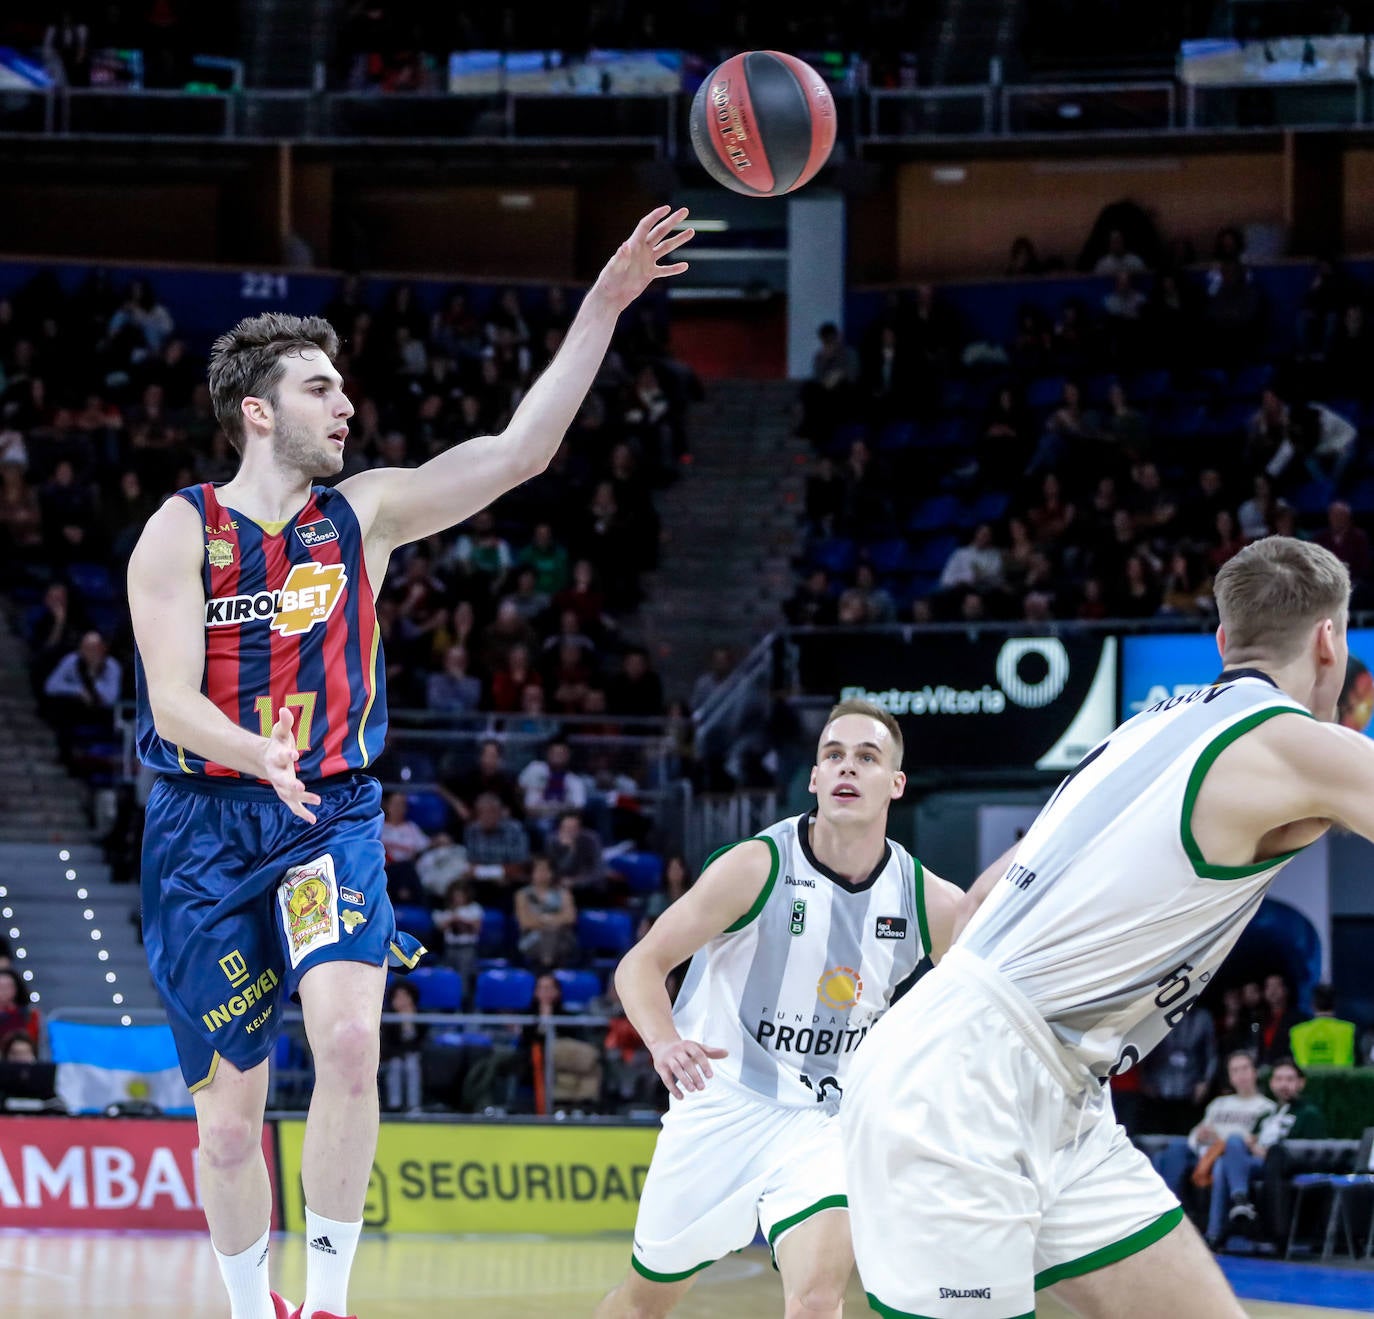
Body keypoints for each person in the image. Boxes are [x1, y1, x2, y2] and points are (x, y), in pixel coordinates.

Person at [126, 206, 694, 1319]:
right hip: (202, 827)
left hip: (328, 813)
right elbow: (171, 702)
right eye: (319, 388)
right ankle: (255, 1308)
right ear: (257, 410)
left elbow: (521, 451)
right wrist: (255, 752)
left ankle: (329, 1304)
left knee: (346, 1039)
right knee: (230, 1127)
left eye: (344, 387)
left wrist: (606, 301)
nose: (346, 403)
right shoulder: (180, 529)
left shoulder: (366, 513)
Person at [841, 535, 1374, 1319]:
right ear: (1330, 639)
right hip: (966, 1084)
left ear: (1224, 642)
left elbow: (974, 907)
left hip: (1039, 1076)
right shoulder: (1299, 744)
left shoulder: (1131, 734)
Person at [595, 699, 963, 1319]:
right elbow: (641, 963)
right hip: (721, 1102)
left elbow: (993, 1008)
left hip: (829, 1116)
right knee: (643, 1303)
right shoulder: (756, 867)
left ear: (895, 784)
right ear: (815, 778)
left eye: (867, 757)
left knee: (817, 1300)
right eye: (834, 755)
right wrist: (663, 1042)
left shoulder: (931, 901)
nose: (848, 768)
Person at [1210, 1057, 1324, 1249]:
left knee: (1226, 1161)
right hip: (1255, 1163)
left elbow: (1308, 1151)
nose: (1284, 1085)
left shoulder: (1309, 1114)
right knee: (1229, 1152)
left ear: (1300, 1083)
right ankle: (1237, 1205)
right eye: (1279, 1079)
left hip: (1280, 1167)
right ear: (1271, 1083)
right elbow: (1252, 1141)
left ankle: (1219, 1228)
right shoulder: (1266, 1115)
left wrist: (1264, 1152)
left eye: (1289, 1079)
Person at [1150, 1051, 1275, 1210]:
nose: (1241, 1075)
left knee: (1224, 1159)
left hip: (1233, 1157)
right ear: (1230, 1077)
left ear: (1254, 1072)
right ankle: (1167, 1208)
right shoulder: (1219, 1104)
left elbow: (1256, 1141)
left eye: (1244, 1069)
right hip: (1205, 1153)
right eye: (1235, 1070)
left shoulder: (1266, 1107)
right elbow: (1196, 1135)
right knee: (1175, 1148)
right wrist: (1199, 1137)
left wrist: (1218, 1138)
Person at [1289, 982, 1357, 1068]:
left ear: (1312, 1005)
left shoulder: (1296, 1032)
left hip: (1305, 1080)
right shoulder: (1349, 1029)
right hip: (1340, 1081)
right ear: (1335, 1004)